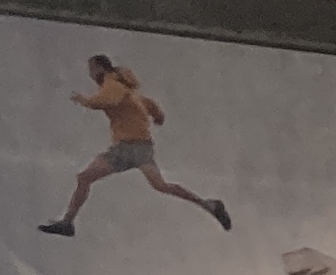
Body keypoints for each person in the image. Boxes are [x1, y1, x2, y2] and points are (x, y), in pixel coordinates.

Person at [41, 55, 229, 237]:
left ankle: (67, 223)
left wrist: (85, 100)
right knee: (160, 185)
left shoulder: (111, 83)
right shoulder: (130, 91)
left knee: (85, 178)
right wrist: (157, 116)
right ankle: (208, 205)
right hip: (140, 148)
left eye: (91, 69)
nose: (90, 75)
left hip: (128, 148)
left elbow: (108, 100)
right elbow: (151, 107)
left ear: (100, 68)